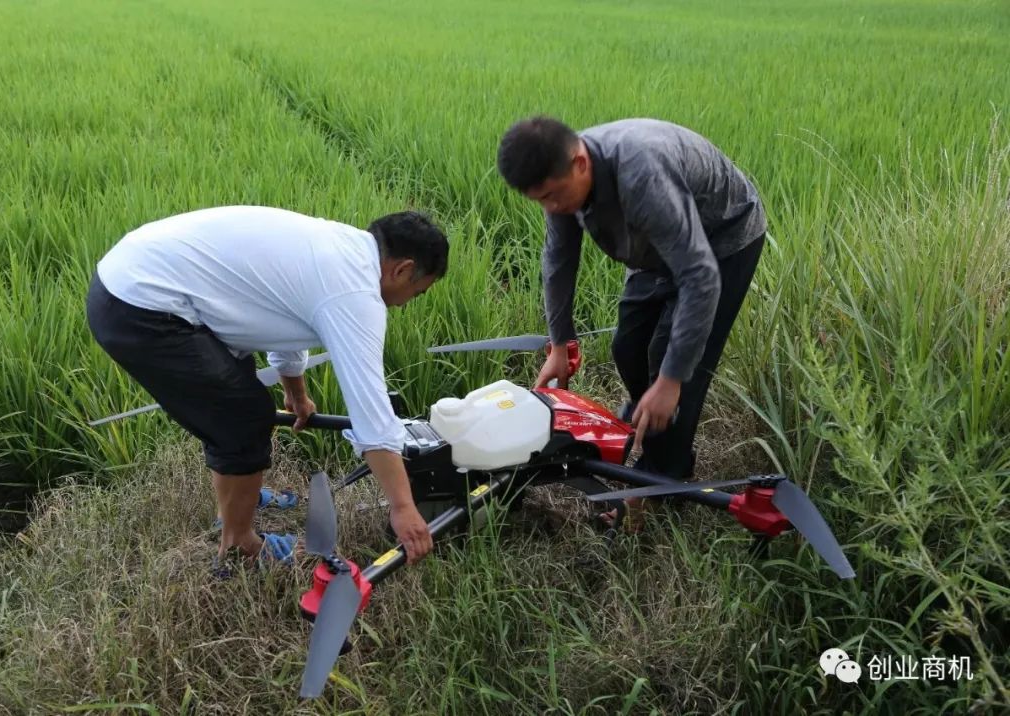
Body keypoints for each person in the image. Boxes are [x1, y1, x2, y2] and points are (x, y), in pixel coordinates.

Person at [86, 206, 447, 565]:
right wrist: (403, 507)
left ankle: (242, 496)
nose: (405, 305)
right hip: (138, 304)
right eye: (417, 293)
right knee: (242, 417)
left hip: (133, 272)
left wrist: (296, 394)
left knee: (232, 394)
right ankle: (239, 543)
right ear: (403, 270)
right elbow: (372, 416)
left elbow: (281, 311)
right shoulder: (356, 296)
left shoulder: (340, 247)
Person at [496, 116, 766, 526]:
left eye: (552, 196)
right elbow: (558, 260)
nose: (551, 208)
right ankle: (657, 425)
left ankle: (660, 479)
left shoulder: (640, 176)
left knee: (671, 362)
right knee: (627, 345)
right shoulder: (564, 183)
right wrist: (560, 343)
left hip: (720, 242)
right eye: (540, 201)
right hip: (652, 243)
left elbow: (699, 275)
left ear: (580, 163)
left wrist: (671, 380)